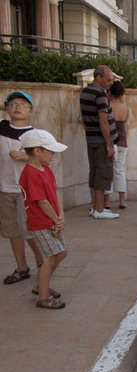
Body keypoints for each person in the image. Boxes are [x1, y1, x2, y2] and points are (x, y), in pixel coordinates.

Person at [18, 129, 68, 309]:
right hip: (40, 223)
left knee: (61, 253)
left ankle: (41, 284)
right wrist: (56, 219)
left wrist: (60, 217)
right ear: (37, 151)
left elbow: (54, 194)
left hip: (52, 221)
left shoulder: (46, 169)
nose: (53, 154)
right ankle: (43, 296)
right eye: (50, 151)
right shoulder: (30, 173)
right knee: (50, 257)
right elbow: (42, 201)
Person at [1, 91, 43, 285]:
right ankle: (21, 267)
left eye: (22, 105)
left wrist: (25, 157)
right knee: (13, 231)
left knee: (28, 231)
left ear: (31, 111)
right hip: (5, 188)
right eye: (13, 104)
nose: (17, 108)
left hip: (24, 191)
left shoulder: (34, 135)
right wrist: (5, 107)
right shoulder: (2, 127)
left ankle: (42, 261)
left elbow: (45, 160)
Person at [79, 65, 120, 219]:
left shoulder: (85, 92)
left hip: (91, 139)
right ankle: (99, 209)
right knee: (103, 173)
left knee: (94, 172)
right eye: (108, 79)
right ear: (99, 77)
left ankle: (95, 207)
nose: (110, 82)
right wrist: (109, 144)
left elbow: (84, 118)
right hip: (102, 141)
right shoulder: (100, 94)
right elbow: (103, 120)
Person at [106, 81, 129, 210]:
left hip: (111, 140)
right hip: (123, 141)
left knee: (108, 170)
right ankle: (122, 201)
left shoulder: (108, 106)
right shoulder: (124, 107)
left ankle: (106, 202)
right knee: (120, 170)